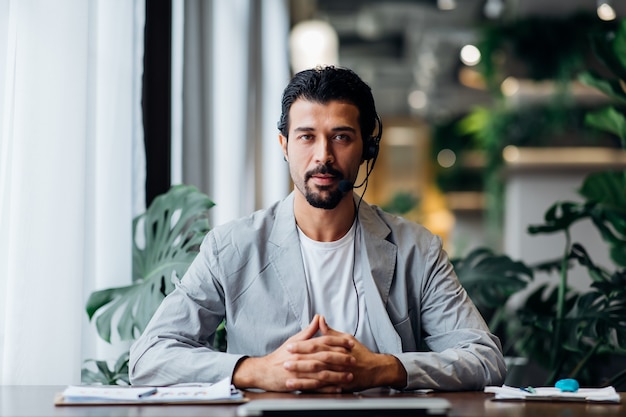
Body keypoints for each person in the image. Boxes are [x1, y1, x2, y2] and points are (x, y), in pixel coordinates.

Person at [129, 66, 506, 392]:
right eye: (306, 136)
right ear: (284, 145)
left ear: (366, 149)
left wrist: (383, 368)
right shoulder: (232, 247)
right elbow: (150, 357)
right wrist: (259, 370)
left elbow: (484, 358)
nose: (323, 155)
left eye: (341, 137)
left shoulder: (416, 249)